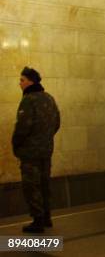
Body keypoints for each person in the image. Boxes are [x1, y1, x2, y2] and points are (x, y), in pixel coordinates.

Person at [11, 67, 60, 233]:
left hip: (30, 153)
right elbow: (57, 123)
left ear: (31, 82)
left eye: (22, 80)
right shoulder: (49, 98)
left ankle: (37, 221)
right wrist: (45, 139)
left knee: (31, 186)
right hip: (46, 151)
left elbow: (22, 128)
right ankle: (47, 217)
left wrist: (16, 145)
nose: (20, 83)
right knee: (45, 184)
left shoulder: (29, 100)